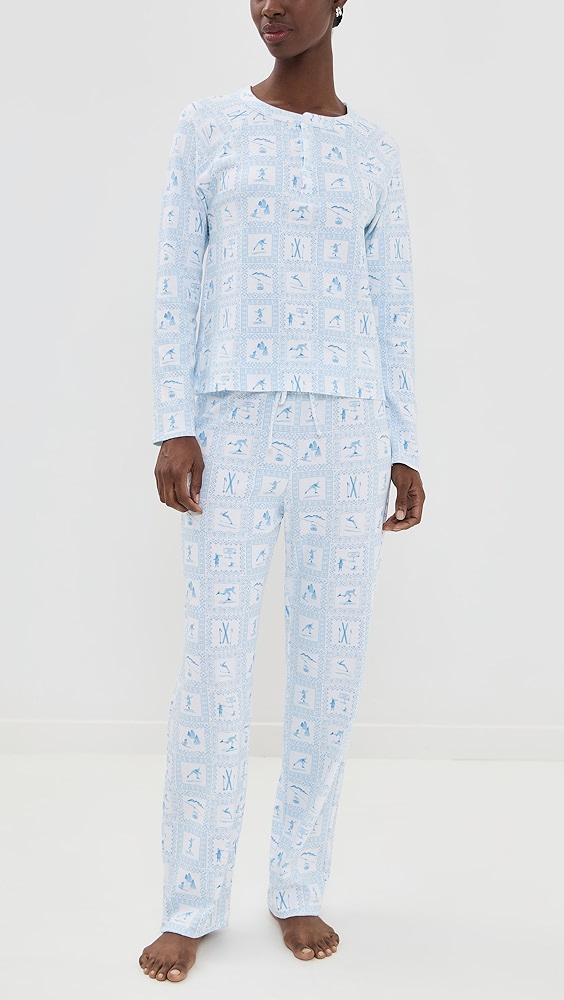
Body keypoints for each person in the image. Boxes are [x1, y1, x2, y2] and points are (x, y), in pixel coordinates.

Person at [139, 0, 426, 983]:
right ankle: (191, 899)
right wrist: (174, 419)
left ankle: (298, 882)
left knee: (329, 670)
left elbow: (393, 303)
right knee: (213, 669)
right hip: (231, 424)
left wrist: (403, 444)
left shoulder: (374, 151)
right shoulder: (208, 126)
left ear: (341, 4)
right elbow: (176, 280)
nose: (273, 6)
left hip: (348, 428)